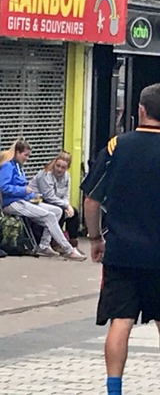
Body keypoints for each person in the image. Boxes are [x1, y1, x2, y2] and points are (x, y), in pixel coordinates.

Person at [82, 83, 160, 395]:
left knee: (121, 321)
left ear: (140, 110)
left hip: (122, 252)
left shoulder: (117, 147)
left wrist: (95, 238)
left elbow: (91, 200)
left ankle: (114, 389)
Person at [0, 140, 86, 261]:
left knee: (57, 211)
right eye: (25, 155)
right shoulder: (7, 166)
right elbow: (2, 187)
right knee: (49, 216)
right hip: (11, 203)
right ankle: (68, 249)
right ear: (17, 152)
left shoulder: (17, 166)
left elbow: (24, 188)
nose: (26, 158)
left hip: (22, 200)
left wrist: (31, 195)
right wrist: (23, 191)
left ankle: (44, 245)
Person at [29, 151, 82, 249]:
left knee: (74, 213)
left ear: (67, 168)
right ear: (54, 163)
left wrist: (68, 207)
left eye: (63, 167)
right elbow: (49, 196)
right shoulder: (45, 174)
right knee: (59, 212)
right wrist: (65, 206)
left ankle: (73, 243)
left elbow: (66, 194)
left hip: (56, 202)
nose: (59, 169)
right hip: (39, 201)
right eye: (58, 166)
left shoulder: (67, 176)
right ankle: (55, 242)